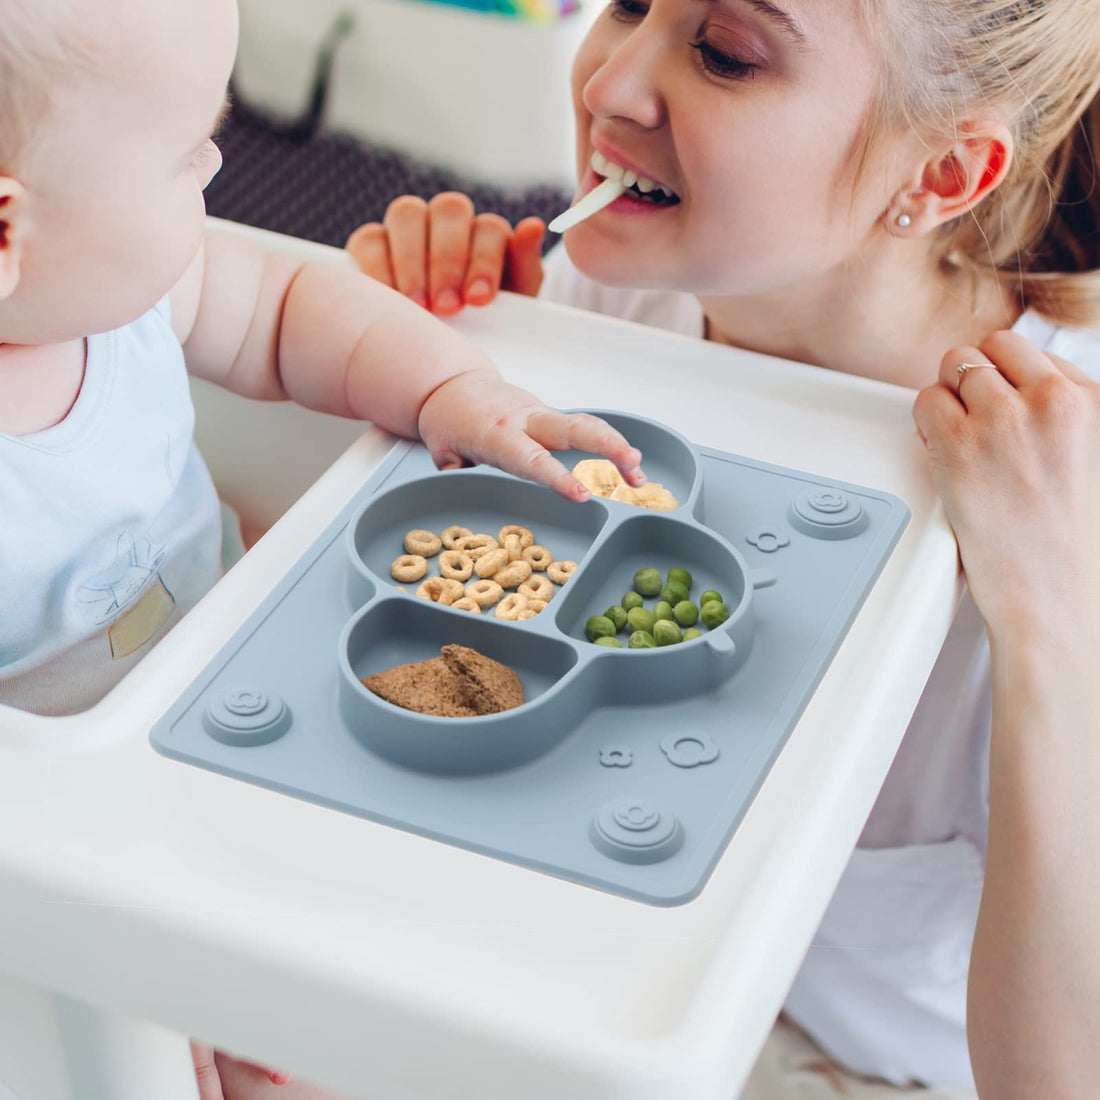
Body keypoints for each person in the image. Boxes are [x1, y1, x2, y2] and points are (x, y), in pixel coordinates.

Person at [345, 0, 1100, 1097]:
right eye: (626, 5)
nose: (606, 83)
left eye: (723, 54)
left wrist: (1052, 618)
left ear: (941, 175)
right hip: (636, 940)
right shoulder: (610, 291)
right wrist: (405, 371)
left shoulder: (1062, 469)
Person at [0, 0, 644, 719]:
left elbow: (288, 311)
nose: (215, 162)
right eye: (184, 154)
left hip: (230, 655)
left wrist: (448, 387)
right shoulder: (103, 281)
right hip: (72, 800)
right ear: (5, 231)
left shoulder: (128, 295)